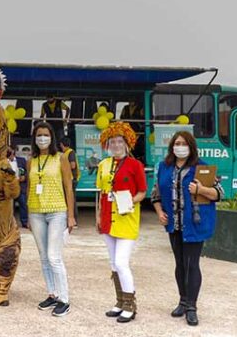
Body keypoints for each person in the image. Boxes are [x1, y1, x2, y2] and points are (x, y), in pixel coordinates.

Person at [152, 131, 222, 327]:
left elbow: (218, 193)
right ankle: (182, 301)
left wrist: (200, 190)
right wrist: (159, 212)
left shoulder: (203, 168)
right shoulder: (164, 168)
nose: (179, 146)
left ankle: (192, 307)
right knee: (180, 264)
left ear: (191, 146)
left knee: (192, 264)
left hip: (194, 224)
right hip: (174, 225)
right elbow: (155, 194)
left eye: (183, 143)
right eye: (177, 143)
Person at [95, 122, 147, 323]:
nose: (116, 145)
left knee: (121, 262)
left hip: (127, 218)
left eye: (120, 141)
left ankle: (130, 304)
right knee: (113, 264)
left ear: (127, 143)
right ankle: (119, 301)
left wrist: (128, 201)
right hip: (108, 219)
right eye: (112, 141)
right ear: (107, 144)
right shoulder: (103, 165)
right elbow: (101, 193)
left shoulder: (136, 165)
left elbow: (142, 192)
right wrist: (98, 217)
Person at [27, 122, 76, 317]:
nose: (42, 138)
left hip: (56, 211)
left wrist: (70, 216)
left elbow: (68, 187)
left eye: (45, 135)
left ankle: (64, 299)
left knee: (54, 256)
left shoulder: (61, 158)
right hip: (36, 212)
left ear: (51, 137)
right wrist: (28, 215)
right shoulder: (32, 161)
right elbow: (30, 187)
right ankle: (52, 293)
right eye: (39, 135)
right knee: (44, 257)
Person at [59, 137, 80, 224]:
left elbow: (73, 165)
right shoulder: (66, 153)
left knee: (71, 199)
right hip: (69, 178)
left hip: (71, 179)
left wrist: (63, 166)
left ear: (62, 144)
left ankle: (74, 219)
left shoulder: (70, 152)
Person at [8, 145, 29, 228]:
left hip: (20, 186)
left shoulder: (22, 160)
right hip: (9, 186)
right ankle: (9, 223)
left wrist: (24, 177)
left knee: (23, 204)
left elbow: (27, 171)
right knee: (9, 206)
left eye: (10, 150)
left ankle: (24, 222)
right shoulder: (3, 162)